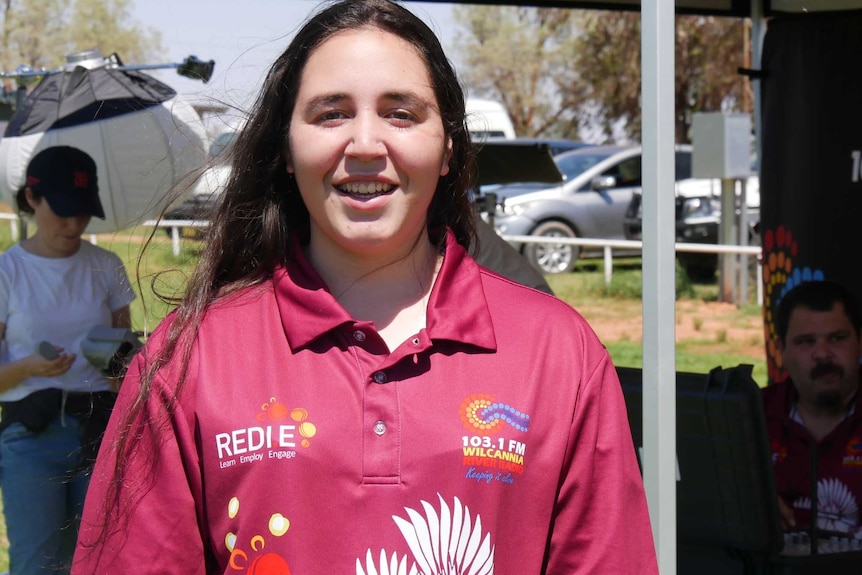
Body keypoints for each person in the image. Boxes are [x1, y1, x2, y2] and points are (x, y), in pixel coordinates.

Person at [72, 1, 657, 572]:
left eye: (401, 113)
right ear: (285, 147)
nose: (365, 145)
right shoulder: (190, 357)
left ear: (450, 146)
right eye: (331, 113)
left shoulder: (559, 352)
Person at [0, 145, 135, 574]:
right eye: (61, 210)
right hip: (30, 436)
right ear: (31, 200)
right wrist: (28, 369)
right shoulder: (8, 273)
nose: (74, 223)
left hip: (99, 432)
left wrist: (126, 363)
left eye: (82, 211)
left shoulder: (107, 266)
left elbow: (125, 361)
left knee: (96, 561)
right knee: (36, 564)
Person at [764, 280, 862, 538]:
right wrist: (744, 503)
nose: (823, 354)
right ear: (780, 351)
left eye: (837, 338)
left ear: (859, 342)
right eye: (806, 342)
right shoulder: (749, 415)